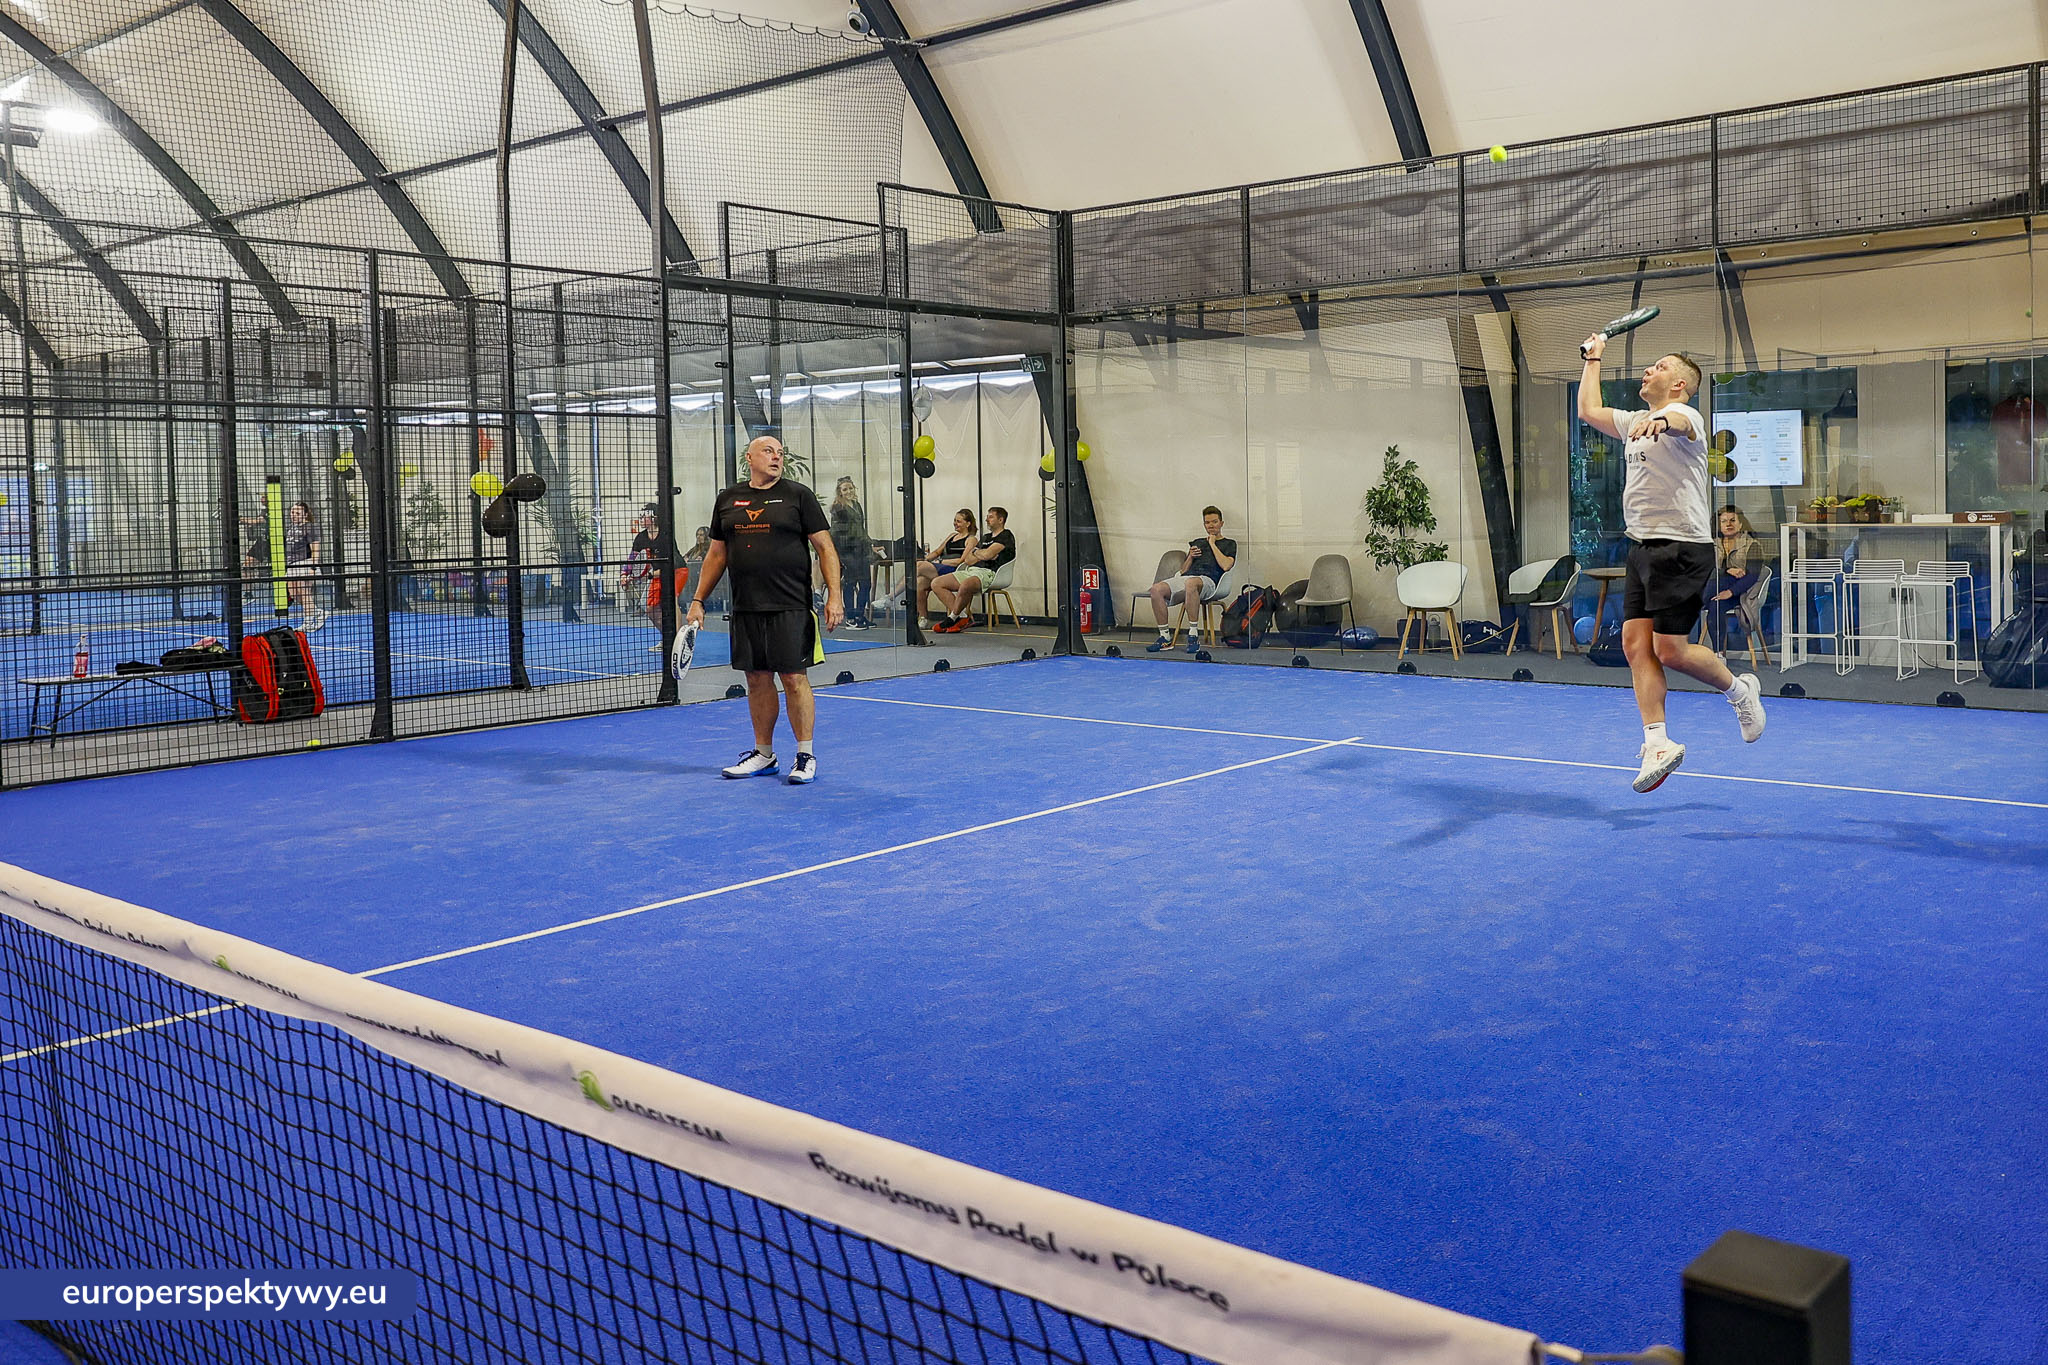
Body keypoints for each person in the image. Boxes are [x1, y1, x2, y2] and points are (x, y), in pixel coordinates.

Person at [1577, 336, 1765, 792]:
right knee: (1634, 645)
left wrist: (1661, 421)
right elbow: (1588, 410)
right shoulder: (1634, 421)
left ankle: (1740, 692)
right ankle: (1658, 742)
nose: (1647, 371)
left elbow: (1679, 421)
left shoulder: (1686, 417)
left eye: (1658, 367)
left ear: (1679, 383)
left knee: (1670, 651)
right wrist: (1593, 358)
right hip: (1641, 549)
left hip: (1680, 549)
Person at [688, 436, 842, 785]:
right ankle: (764, 754)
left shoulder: (798, 496)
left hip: (791, 605)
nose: (776, 457)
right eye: (769, 452)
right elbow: (716, 555)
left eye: (781, 453)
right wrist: (698, 600)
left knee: (793, 678)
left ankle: (805, 755)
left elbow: (825, 548)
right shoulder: (727, 500)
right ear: (750, 458)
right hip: (746, 608)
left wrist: (835, 595)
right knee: (756, 679)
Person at [1146, 506, 1236, 653]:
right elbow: (1183, 571)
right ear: (1204, 524)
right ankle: (1164, 637)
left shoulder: (1229, 544)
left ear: (1221, 523)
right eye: (1207, 523)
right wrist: (1190, 557)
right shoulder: (1197, 542)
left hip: (1210, 581)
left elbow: (1226, 566)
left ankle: (1193, 635)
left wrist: (1212, 544)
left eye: (1214, 522)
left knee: (1191, 583)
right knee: (1156, 589)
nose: (1211, 525)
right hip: (1189, 577)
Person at [930, 506, 1015, 633]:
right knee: (936, 583)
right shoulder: (986, 538)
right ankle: (963, 617)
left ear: (1001, 520)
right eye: (987, 517)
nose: (987, 520)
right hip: (971, 570)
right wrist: (980, 553)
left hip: (990, 573)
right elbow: (969, 560)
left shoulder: (1006, 535)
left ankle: (952, 617)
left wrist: (978, 553)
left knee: (966, 585)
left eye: (991, 517)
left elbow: (988, 555)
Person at [1702, 504, 1765, 651]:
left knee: (1712, 586)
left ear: (1741, 523)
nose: (1728, 524)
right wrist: (1727, 570)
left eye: (1732, 520)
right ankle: (1719, 654)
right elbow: (1705, 569)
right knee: (1714, 606)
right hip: (1716, 588)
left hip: (1740, 592)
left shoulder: (1752, 545)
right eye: (1724, 521)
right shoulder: (1712, 544)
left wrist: (1729, 592)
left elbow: (1752, 577)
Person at [626, 503, 687, 651]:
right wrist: (625, 574)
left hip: (676, 571)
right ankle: (668, 638)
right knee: (651, 610)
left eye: (645, 515)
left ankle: (678, 642)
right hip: (657, 574)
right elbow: (631, 559)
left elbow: (670, 563)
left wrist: (650, 574)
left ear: (654, 517)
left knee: (672, 601)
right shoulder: (641, 537)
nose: (641, 518)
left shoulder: (665, 534)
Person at [916, 509, 976, 629]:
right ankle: (923, 617)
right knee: (920, 582)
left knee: (919, 566)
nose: (955, 523)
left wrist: (940, 561)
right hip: (940, 568)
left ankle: (891, 596)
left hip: (954, 570)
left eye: (958, 521)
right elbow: (938, 551)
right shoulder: (952, 536)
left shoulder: (971, 539)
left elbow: (962, 560)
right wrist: (926, 558)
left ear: (968, 523)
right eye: (954, 520)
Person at [829, 477, 874, 630]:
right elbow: (836, 533)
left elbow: (861, 528)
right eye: (845, 489)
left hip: (861, 550)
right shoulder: (838, 508)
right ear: (840, 492)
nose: (849, 491)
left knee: (866, 583)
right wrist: (841, 554)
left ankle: (860, 616)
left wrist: (870, 543)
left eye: (850, 488)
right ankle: (850, 618)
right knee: (850, 584)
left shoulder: (856, 505)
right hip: (848, 552)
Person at [282, 501, 325, 631]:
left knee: (305, 592)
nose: (293, 515)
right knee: (294, 594)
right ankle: (318, 612)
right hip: (292, 565)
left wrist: (313, 567)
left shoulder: (310, 527)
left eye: (297, 513)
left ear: (305, 514)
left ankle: (308, 622)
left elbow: (315, 549)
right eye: (292, 512)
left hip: (305, 563)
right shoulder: (292, 528)